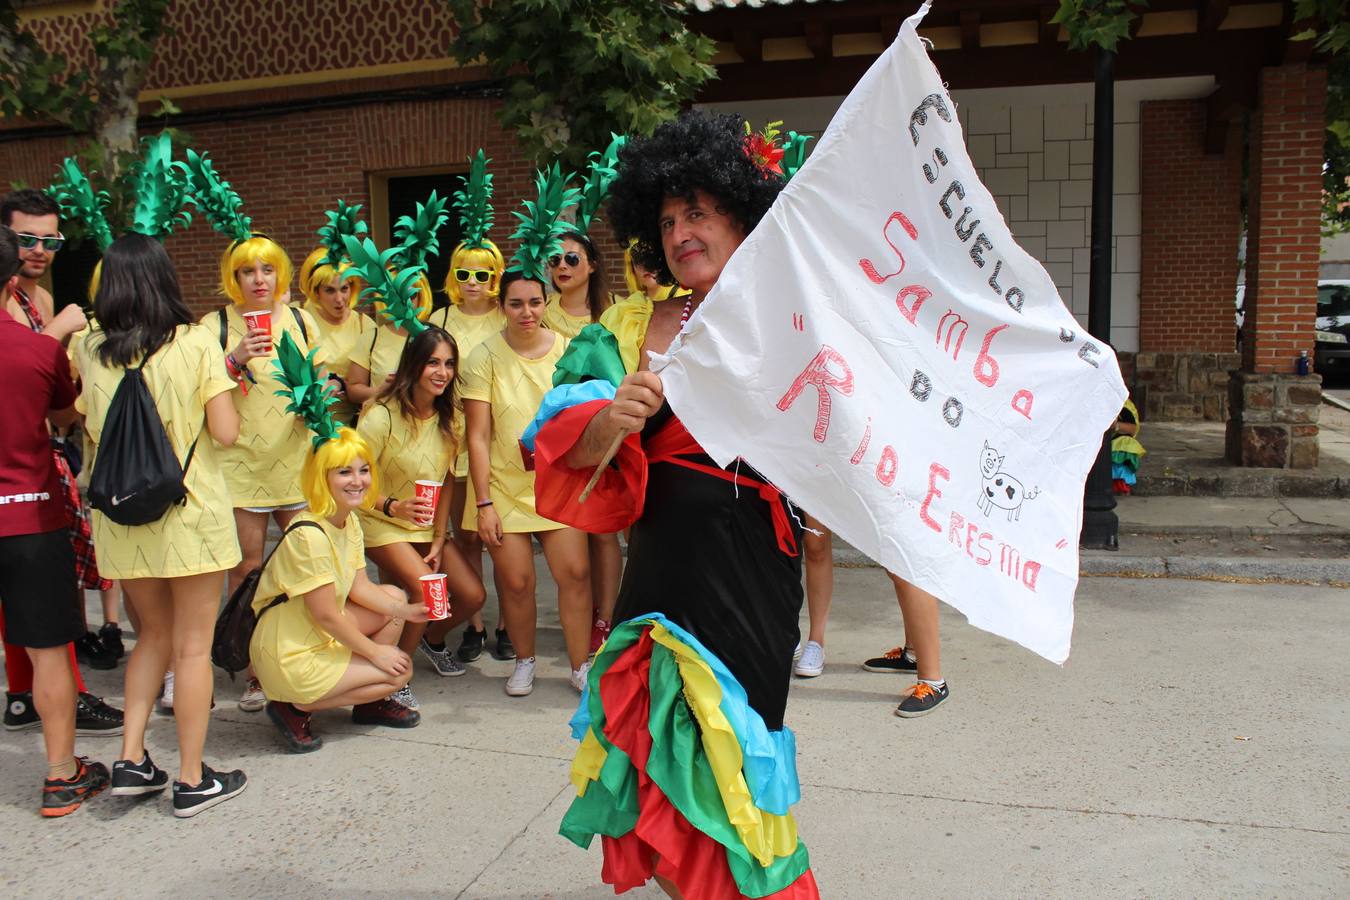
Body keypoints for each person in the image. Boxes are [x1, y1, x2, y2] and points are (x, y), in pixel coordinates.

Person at [531, 112, 820, 897]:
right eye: (665, 221)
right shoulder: (632, 326)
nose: (679, 232)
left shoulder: (790, 311)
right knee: (656, 748)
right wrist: (609, 423)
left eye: (697, 212)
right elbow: (572, 461)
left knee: (732, 756)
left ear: (740, 212)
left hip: (749, 562)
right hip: (659, 571)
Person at [77, 233, 250, 816]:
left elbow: (92, 431)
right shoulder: (196, 343)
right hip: (189, 514)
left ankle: (130, 757)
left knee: (149, 636)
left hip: (123, 517)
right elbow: (225, 432)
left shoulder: (88, 346)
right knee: (192, 646)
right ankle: (192, 777)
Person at [254, 361, 429, 750]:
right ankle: (294, 705)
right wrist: (376, 654)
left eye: (363, 470)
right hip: (291, 648)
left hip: (314, 633)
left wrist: (409, 613)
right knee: (396, 673)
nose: (357, 481)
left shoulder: (346, 519)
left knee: (395, 598)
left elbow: (360, 586)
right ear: (322, 478)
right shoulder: (309, 534)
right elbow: (326, 614)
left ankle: (367, 704)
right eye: (343, 473)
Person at [0, 190, 123, 735]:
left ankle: (28, 695)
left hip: (42, 452)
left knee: (54, 581)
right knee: (40, 587)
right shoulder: (14, 303)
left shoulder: (42, 298)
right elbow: (24, 367)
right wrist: (56, 337)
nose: (40, 251)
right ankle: (48, 699)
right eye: (27, 239)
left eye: (51, 241)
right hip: (20, 464)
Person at [460, 270, 592, 697]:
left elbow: (586, 418)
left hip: (560, 486)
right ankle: (524, 660)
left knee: (574, 573)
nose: (527, 312)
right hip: (504, 489)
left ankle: (579, 664)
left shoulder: (570, 352)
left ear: (545, 303)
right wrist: (484, 503)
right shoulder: (483, 357)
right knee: (516, 582)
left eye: (534, 302)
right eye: (516, 303)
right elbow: (477, 436)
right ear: (503, 307)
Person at [357, 326, 485, 694]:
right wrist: (392, 506)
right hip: (378, 521)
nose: (441, 372)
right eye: (432, 362)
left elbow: (446, 479)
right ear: (414, 365)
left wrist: (439, 537)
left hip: (424, 526)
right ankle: (396, 675)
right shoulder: (381, 416)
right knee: (429, 592)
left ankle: (430, 638)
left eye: (448, 364)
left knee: (473, 596)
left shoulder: (450, 420)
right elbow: (351, 483)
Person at [426, 151, 509, 663]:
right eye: (465, 273)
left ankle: (503, 623)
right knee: (456, 538)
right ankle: (470, 623)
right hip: (442, 445)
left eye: (483, 274)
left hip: (492, 442)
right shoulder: (437, 315)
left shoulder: (509, 314)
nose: (474, 282)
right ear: (454, 275)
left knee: (497, 537)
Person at [543, 232, 623, 657]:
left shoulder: (614, 313)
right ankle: (582, 611)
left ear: (592, 264)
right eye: (554, 259)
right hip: (563, 435)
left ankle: (605, 617)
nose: (562, 266)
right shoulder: (541, 317)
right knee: (572, 525)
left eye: (572, 258)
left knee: (605, 531)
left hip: (607, 431)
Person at [297, 245, 371, 427]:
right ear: (316, 292)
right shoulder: (298, 318)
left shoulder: (364, 325)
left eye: (344, 289)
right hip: (305, 426)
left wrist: (342, 384)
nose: (339, 299)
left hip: (350, 427)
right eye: (330, 290)